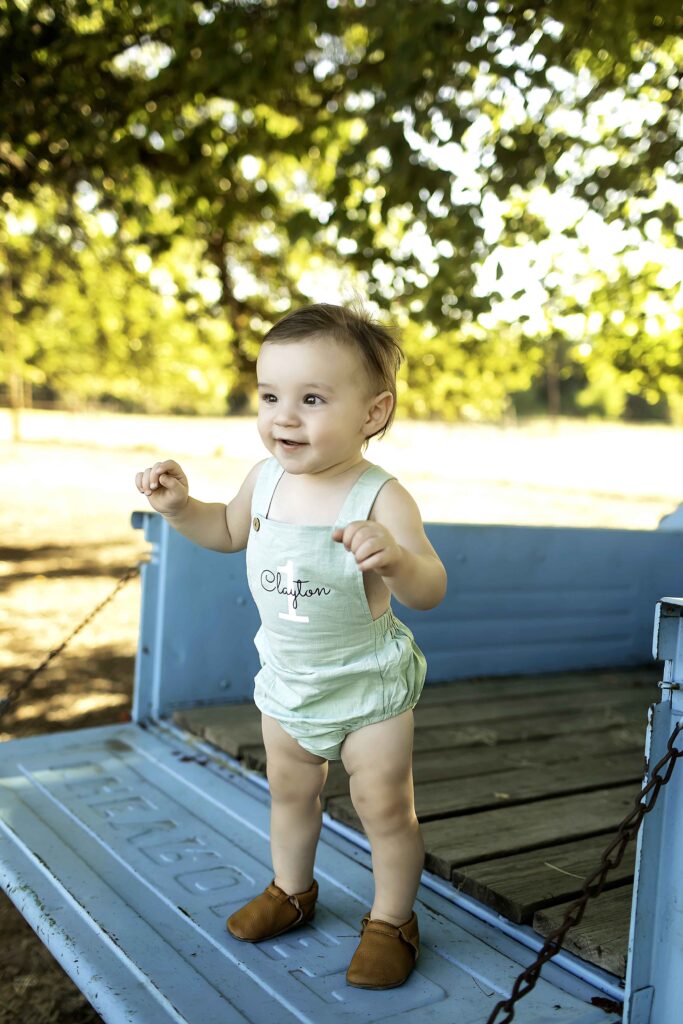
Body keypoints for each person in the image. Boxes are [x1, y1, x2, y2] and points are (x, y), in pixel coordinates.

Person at [134, 302, 447, 989]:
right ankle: (291, 889)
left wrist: (394, 558)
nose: (283, 416)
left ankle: (392, 919)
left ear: (372, 413)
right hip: (288, 682)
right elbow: (225, 532)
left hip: (367, 687)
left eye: (311, 399)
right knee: (289, 794)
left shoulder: (380, 496)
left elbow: (429, 587)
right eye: (270, 395)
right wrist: (182, 509)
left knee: (385, 807)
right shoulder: (264, 479)